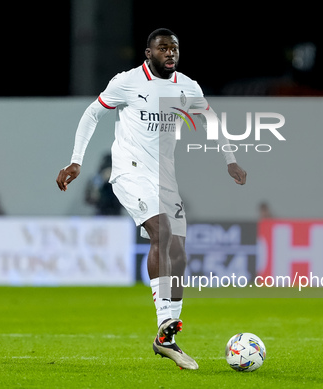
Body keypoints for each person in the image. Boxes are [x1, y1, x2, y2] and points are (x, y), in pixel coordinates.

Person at [56, 28, 247, 370]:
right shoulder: (127, 82)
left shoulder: (187, 86)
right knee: (162, 234)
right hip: (129, 172)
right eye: (163, 48)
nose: (170, 53)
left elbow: (211, 119)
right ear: (148, 53)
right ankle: (163, 321)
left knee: (179, 251)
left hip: (165, 179)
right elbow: (92, 114)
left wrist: (230, 160)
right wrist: (76, 160)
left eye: (174, 47)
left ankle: (166, 338)